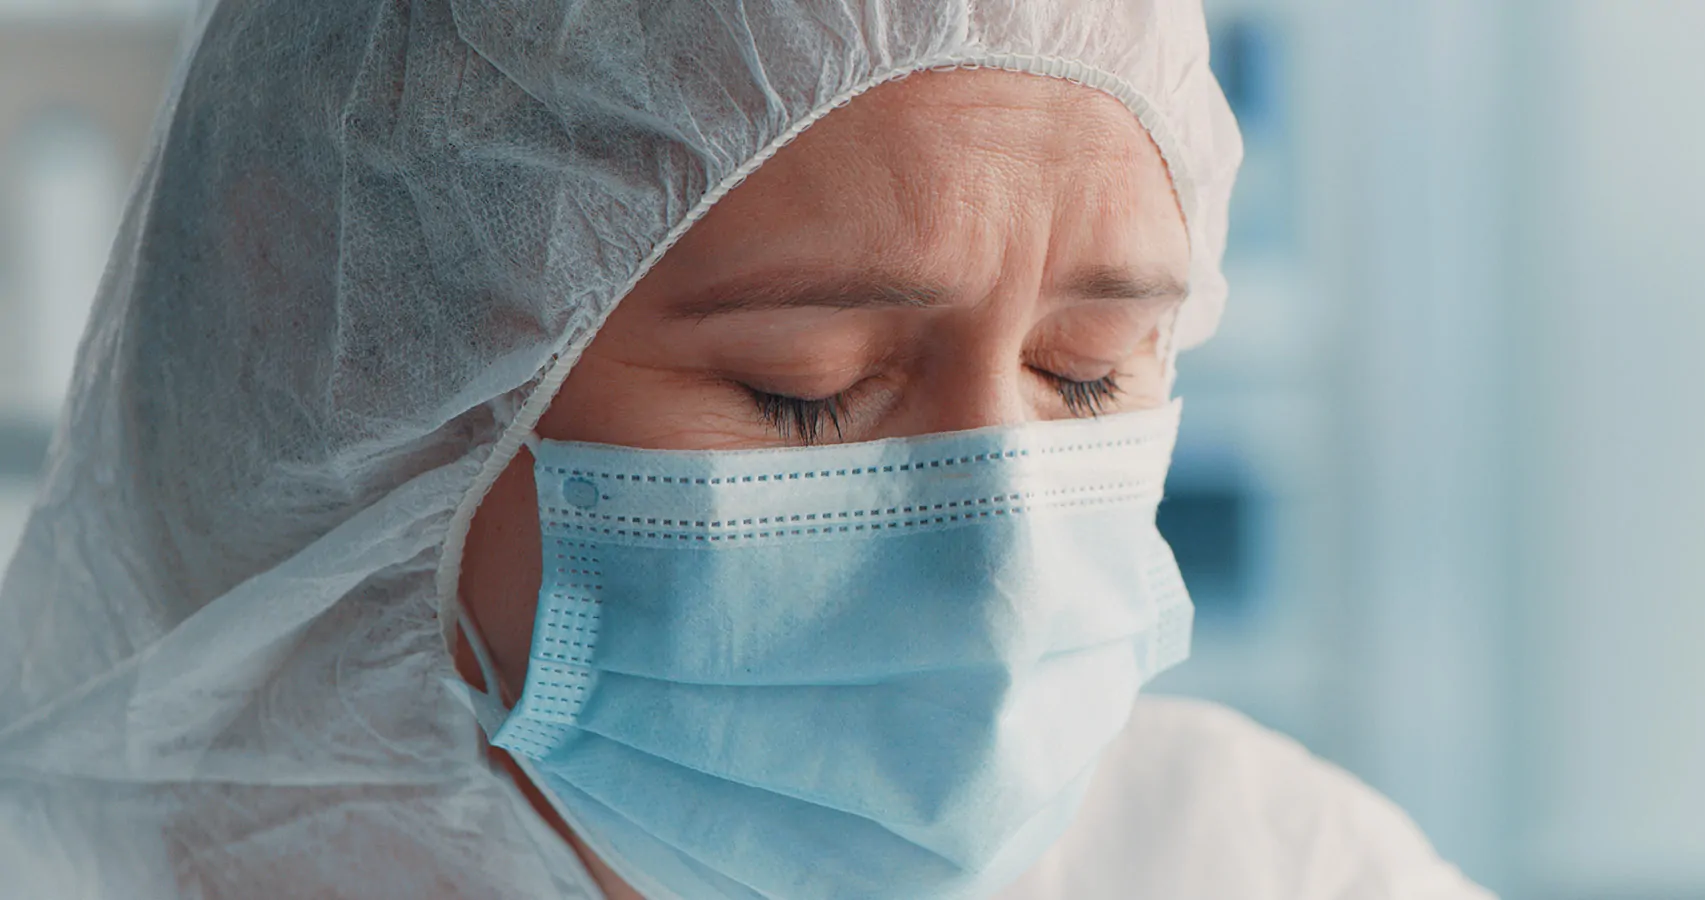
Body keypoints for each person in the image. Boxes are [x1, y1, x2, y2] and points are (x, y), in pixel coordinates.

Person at [0, 1, 1493, 898]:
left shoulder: (1262, 865)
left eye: (1084, 377)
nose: (1006, 573)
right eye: (810, 392)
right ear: (354, 328)